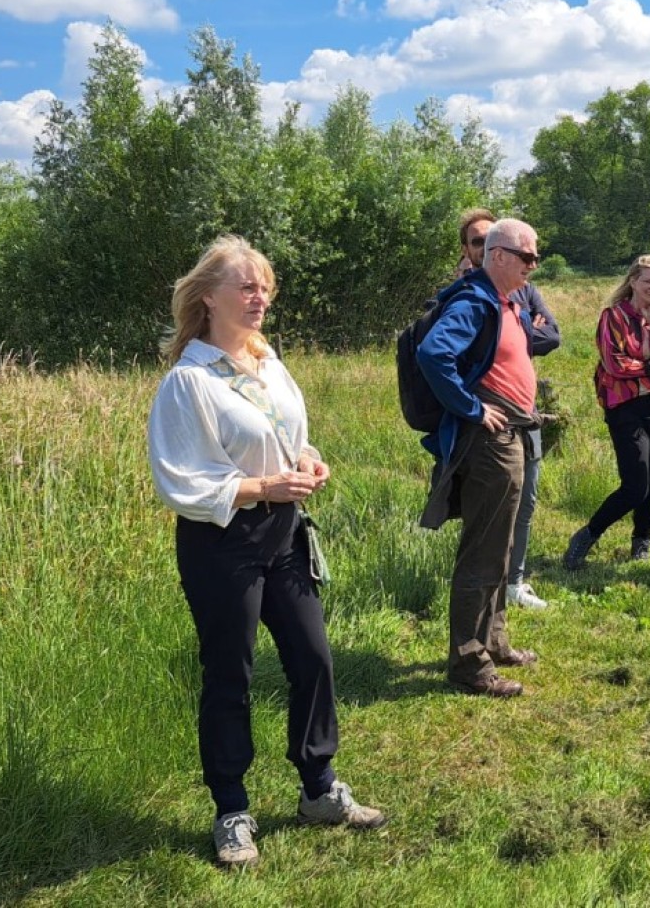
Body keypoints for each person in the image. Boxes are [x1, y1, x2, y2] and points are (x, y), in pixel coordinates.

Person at [148, 235, 384, 869]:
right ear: (207, 297)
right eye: (247, 286)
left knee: (314, 659)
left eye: (266, 288)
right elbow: (183, 480)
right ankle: (231, 810)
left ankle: (318, 787)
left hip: (284, 531)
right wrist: (264, 486)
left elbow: (286, 436)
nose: (260, 298)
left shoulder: (267, 361)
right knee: (232, 675)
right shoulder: (189, 383)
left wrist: (304, 462)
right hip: (222, 542)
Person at [418, 218, 542, 698]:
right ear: (499, 256)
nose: (533, 265)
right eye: (527, 257)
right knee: (483, 552)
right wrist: (471, 408)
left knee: (502, 546)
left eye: (534, 256)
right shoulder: (474, 300)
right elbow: (434, 354)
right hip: (488, 443)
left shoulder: (503, 300)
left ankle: (494, 640)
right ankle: (469, 663)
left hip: (507, 437)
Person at [457, 208, 561, 609]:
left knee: (525, 497)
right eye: (477, 242)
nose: (483, 249)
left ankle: (512, 584)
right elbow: (441, 354)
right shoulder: (468, 298)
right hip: (490, 420)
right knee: (489, 513)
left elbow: (552, 336)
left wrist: (519, 333)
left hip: (525, 413)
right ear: (469, 251)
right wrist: (516, 332)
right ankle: (481, 614)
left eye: (489, 240)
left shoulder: (520, 293)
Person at [563, 255, 650, 569]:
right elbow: (615, 364)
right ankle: (587, 535)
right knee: (636, 486)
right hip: (625, 408)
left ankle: (641, 541)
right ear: (633, 281)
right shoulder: (613, 317)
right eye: (648, 281)